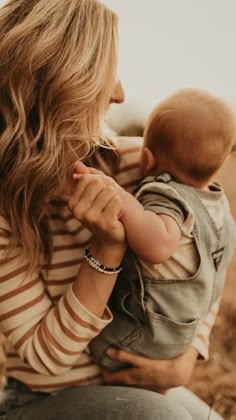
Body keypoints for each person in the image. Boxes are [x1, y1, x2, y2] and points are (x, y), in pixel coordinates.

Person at [0, 0, 222, 419]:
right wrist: (105, 249)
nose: (119, 93)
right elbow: (46, 360)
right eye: (107, 73)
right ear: (63, 87)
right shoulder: (5, 213)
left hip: (129, 389)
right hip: (39, 401)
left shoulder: (142, 164)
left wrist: (188, 354)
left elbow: (213, 239)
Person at [87, 89, 236, 370]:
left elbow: (158, 245)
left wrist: (123, 200)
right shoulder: (218, 208)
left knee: (92, 341)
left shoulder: (164, 195)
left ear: (147, 160)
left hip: (139, 337)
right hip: (181, 338)